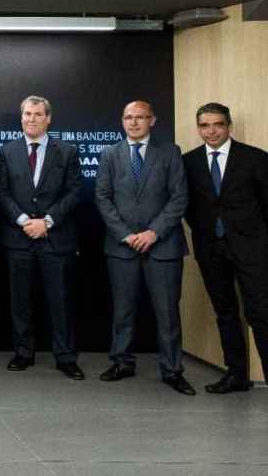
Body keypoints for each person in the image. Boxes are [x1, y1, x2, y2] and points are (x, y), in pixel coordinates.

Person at [95, 101, 194, 395]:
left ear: (152, 120)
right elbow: (102, 198)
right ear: (122, 121)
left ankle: (172, 370)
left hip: (162, 246)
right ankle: (122, 362)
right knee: (122, 311)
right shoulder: (110, 154)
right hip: (121, 246)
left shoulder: (170, 153)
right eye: (128, 117)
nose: (133, 122)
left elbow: (179, 198)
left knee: (167, 313)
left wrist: (153, 232)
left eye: (140, 117)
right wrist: (126, 234)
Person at [0, 96, 85, 380]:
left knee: (61, 301)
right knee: (20, 301)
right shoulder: (7, 152)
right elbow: (2, 193)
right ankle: (23, 352)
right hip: (18, 238)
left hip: (55, 238)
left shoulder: (67, 151)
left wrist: (46, 222)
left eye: (37, 114)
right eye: (26, 114)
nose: (31, 119)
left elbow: (74, 192)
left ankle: (66, 357)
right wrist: (24, 221)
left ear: (48, 119)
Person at [182, 102, 268, 392]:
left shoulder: (255, 158)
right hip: (210, 249)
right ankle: (237, 375)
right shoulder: (189, 162)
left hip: (252, 250)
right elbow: (188, 208)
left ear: (228, 125)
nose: (211, 131)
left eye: (217, 124)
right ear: (199, 129)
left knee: (260, 314)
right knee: (226, 312)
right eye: (205, 125)